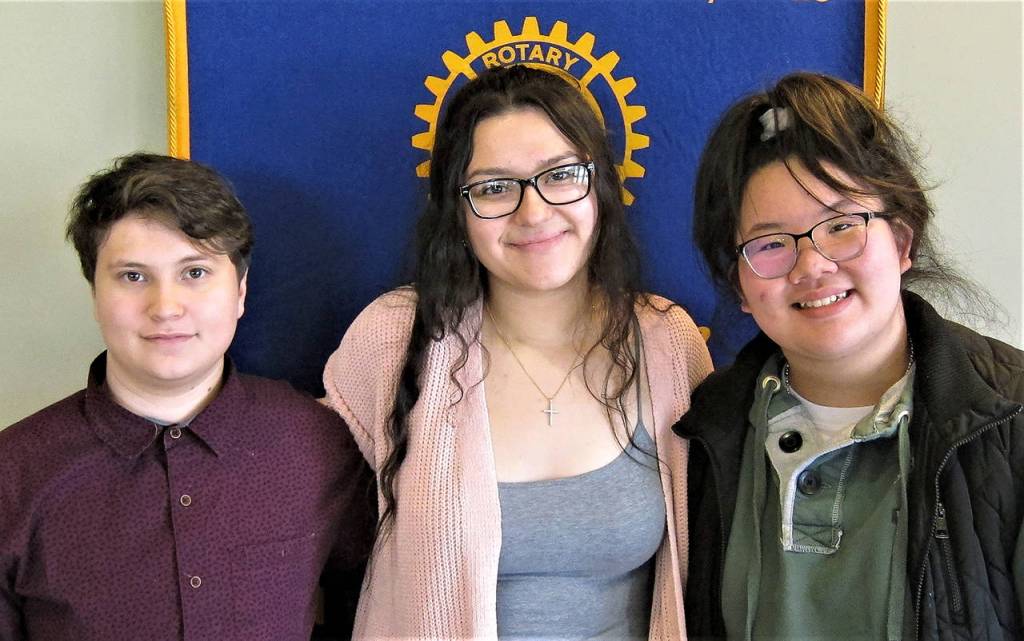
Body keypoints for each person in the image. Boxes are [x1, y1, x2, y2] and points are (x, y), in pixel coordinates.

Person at [322, 64, 712, 639]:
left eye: (560, 176)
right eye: (495, 187)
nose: (533, 213)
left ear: (599, 186)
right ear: (458, 210)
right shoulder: (395, 338)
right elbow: (299, 503)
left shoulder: (667, 341)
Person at [675, 71, 1024, 640]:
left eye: (841, 225)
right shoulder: (705, 431)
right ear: (739, 285)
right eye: (770, 244)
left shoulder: (1011, 415)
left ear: (902, 241)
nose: (811, 265)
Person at [0, 153, 376, 640]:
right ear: (95, 293)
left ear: (240, 291)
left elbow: (370, 611)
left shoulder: (317, 443)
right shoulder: (13, 473)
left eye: (194, 273)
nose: (166, 307)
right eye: (133, 276)